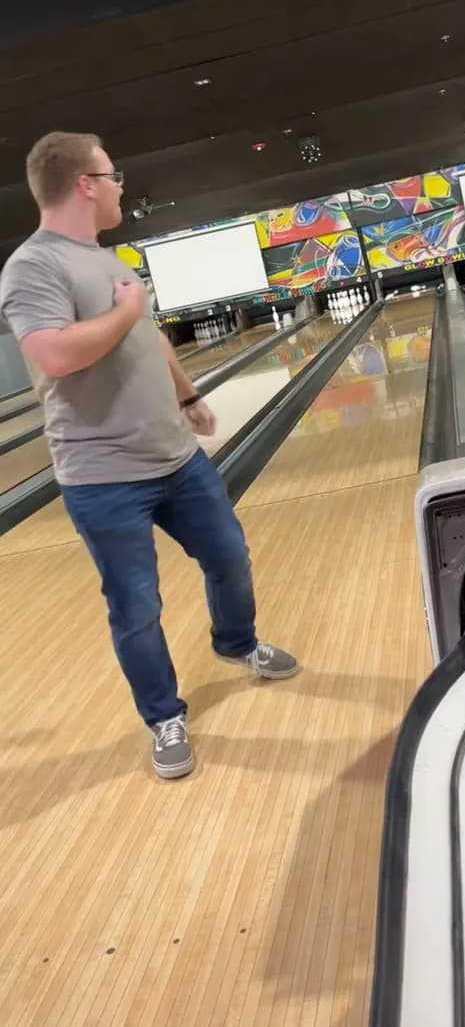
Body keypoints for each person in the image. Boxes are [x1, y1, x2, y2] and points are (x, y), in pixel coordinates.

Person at [0, 132, 298, 780]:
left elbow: (147, 337)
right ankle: (164, 717)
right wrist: (126, 310)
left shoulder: (109, 260)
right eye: (114, 176)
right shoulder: (32, 267)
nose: (121, 187)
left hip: (175, 457)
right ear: (85, 183)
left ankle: (236, 644)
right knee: (136, 608)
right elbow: (52, 353)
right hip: (103, 477)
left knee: (229, 558)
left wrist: (187, 395)